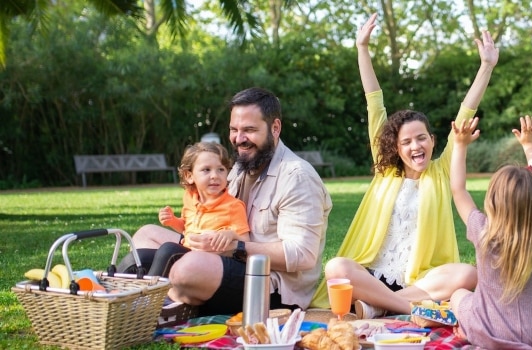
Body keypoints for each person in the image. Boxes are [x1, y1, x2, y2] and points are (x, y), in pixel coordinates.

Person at [309, 13, 498, 319]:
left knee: (467, 274)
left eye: (421, 138)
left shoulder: (441, 172)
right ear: (395, 148)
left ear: (433, 141)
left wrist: (486, 66)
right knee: (336, 267)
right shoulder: (386, 170)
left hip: (419, 282)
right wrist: (362, 48)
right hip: (371, 274)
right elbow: (374, 102)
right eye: (407, 142)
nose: (415, 146)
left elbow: (466, 113)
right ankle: (410, 309)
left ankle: (376, 306)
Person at [118, 87, 333, 316]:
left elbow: (303, 255)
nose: (239, 139)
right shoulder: (240, 166)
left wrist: (237, 248)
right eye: (234, 130)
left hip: (269, 286)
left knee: (187, 269)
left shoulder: (297, 176)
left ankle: (157, 305)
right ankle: (135, 298)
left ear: (275, 128)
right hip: (223, 257)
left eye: (249, 130)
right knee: (145, 235)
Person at [448, 115, 532, 349]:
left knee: (458, 295)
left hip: (486, 331)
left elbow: (458, 190)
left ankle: (469, 331)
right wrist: (530, 146)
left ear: (492, 200)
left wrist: (460, 146)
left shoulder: (482, 230)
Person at [144, 141, 251, 277]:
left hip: (211, 262)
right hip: (188, 251)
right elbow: (187, 227)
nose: (215, 175)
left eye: (221, 169)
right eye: (206, 170)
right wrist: (172, 221)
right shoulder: (189, 197)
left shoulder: (233, 206)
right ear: (189, 176)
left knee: (168, 250)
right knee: (140, 256)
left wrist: (229, 234)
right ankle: (115, 293)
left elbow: (245, 240)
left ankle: (149, 295)